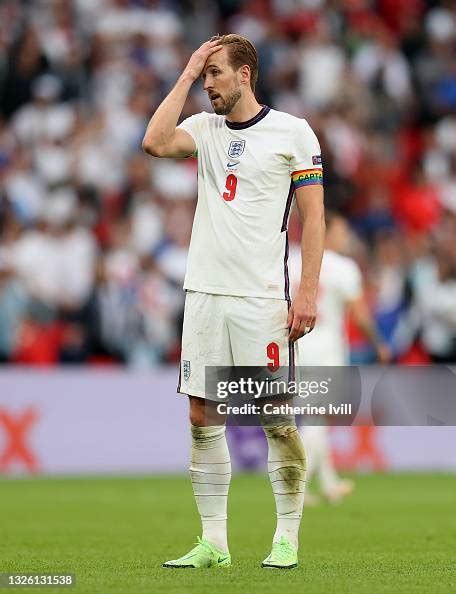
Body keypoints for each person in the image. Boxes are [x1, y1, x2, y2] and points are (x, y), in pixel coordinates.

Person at [142, 34, 325, 569]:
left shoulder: (293, 131)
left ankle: (286, 538)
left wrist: (308, 290)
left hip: (260, 297)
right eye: (203, 77)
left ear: (245, 74)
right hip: (203, 295)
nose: (208, 86)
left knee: (274, 418)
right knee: (202, 414)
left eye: (215, 74)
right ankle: (214, 543)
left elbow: (314, 216)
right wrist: (186, 70)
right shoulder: (202, 129)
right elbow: (153, 142)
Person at [289, 211, 390, 504]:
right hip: (326, 350)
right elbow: (359, 315)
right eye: (342, 232)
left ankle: (329, 482)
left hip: (294, 348)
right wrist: (379, 343)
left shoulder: (290, 261)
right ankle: (297, 486)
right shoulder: (344, 267)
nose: (345, 238)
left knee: (311, 418)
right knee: (318, 421)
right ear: (325, 231)